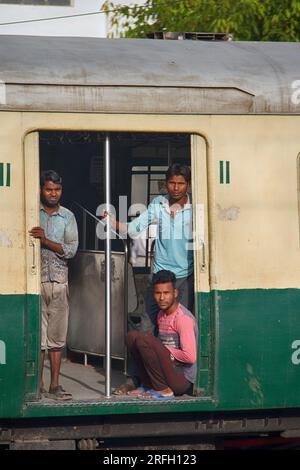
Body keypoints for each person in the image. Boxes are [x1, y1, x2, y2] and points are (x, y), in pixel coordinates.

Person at [105, 163, 194, 331]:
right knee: (147, 325)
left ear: (188, 185)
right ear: (166, 183)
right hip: (159, 275)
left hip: (185, 276)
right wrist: (113, 223)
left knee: (182, 325)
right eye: (172, 183)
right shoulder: (158, 204)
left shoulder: (195, 209)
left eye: (181, 183)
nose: (176, 188)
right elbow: (135, 228)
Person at [30, 170, 78, 400]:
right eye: (49, 189)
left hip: (59, 283)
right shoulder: (32, 213)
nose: (53, 193)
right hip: (34, 281)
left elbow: (71, 250)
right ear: (41, 189)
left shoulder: (68, 216)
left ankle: (55, 385)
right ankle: (37, 384)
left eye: (57, 190)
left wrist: (46, 241)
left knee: (56, 339)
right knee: (39, 338)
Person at [126, 270, 197, 399]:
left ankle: (163, 390)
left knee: (145, 340)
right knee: (132, 337)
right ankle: (148, 385)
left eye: (166, 293)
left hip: (181, 377)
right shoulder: (161, 314)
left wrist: (165, 350)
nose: (162, 298)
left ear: (175, 293)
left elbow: (190, 357)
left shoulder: (182, 318)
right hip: (167, 369)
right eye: (158, 293)